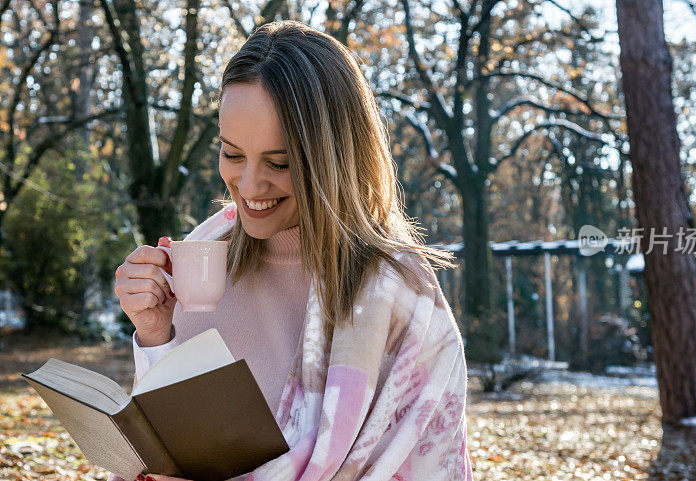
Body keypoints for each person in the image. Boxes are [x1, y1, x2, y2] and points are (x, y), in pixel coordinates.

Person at [111, 20, 472, 481]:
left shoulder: (401, 298)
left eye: (280, 162)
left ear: (333, 157)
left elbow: (426, 465)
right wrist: (155, 333)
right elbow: (171, 445)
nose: (250, 185)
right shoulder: (204, 254)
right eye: (232, 154)